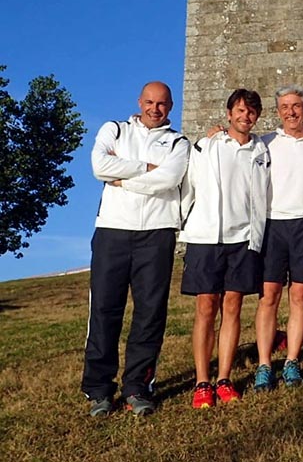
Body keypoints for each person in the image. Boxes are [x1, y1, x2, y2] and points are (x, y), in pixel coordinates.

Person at [82, 82, 190, 417]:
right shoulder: (114, 130)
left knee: (150, 314)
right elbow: (99, 166)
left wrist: (122, 177)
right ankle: (99, 390)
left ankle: (137, 387)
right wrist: (145, 168)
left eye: (162, 104)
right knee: (104, 311)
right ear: (139, 102)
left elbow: (169, 180)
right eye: (149, 102)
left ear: (170, 106)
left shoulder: (178, 142)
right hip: (112, 231)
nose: (155, 109)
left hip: (156, 233)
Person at [180, 89, 269, 409]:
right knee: (206, 307)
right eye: (240, 110)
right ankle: (202, 381)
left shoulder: (262, 149)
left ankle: (224, 378)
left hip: (243, 238)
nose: (246, 116)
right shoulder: (208, 145)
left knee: (232, 307)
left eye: (251, 111)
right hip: (207, 238)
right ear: (229, 113)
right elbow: (189, 185)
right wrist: (185, 224)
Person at [254, 85, 303, 390]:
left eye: (296, 106)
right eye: (285, 107)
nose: (291, 112)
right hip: (273, 223)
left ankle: (292, 361)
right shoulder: (265, 142)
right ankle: (264, 364)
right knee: (268, 295)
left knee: (299, 295)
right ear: (278, 111)